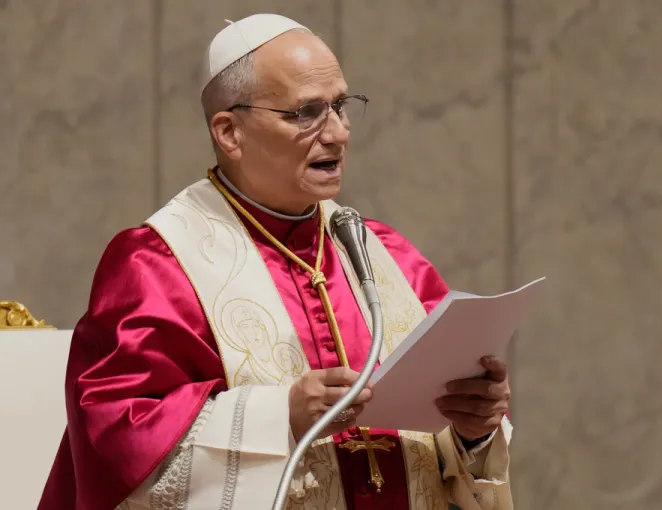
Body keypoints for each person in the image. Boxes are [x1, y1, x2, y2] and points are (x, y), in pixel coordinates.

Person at [39, 13, 514, 510]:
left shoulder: (382, 252)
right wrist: (279, 415)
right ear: (229, 132)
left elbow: (443, 447)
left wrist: (474, 431)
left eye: (341, 106)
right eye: (307, 112)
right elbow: (116, 441)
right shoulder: (157, 265)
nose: (338, 133)